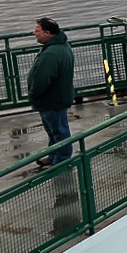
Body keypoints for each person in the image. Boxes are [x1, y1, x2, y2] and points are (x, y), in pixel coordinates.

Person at [28, 16, 76, 171]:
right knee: (54, 131)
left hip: (52, 100)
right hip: (56, 98)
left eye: (37, 30)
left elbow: (43, 79)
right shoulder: (61, 47)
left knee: (58, 131)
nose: (34, 33)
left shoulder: (51, 54)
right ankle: (54, 155)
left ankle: (61, 160)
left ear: (48, 33)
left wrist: (33, 94)